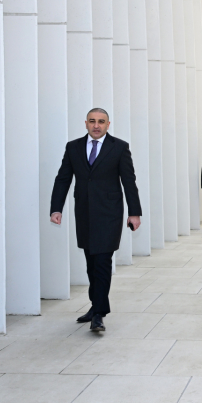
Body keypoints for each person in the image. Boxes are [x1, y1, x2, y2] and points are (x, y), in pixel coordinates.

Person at [49, 108, 142, 332]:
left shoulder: (119, 147)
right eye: (92, 121)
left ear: (108, 124)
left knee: (102, 262)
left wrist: (134, 212)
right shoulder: (73, 147)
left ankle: (99, 313)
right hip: (84, 213)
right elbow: (63, 178)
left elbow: (129, 181)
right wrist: (56, 208)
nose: (96, 125)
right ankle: (95, 306)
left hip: (109, 214)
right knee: (91, 262)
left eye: (101, 122)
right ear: (86, 123)